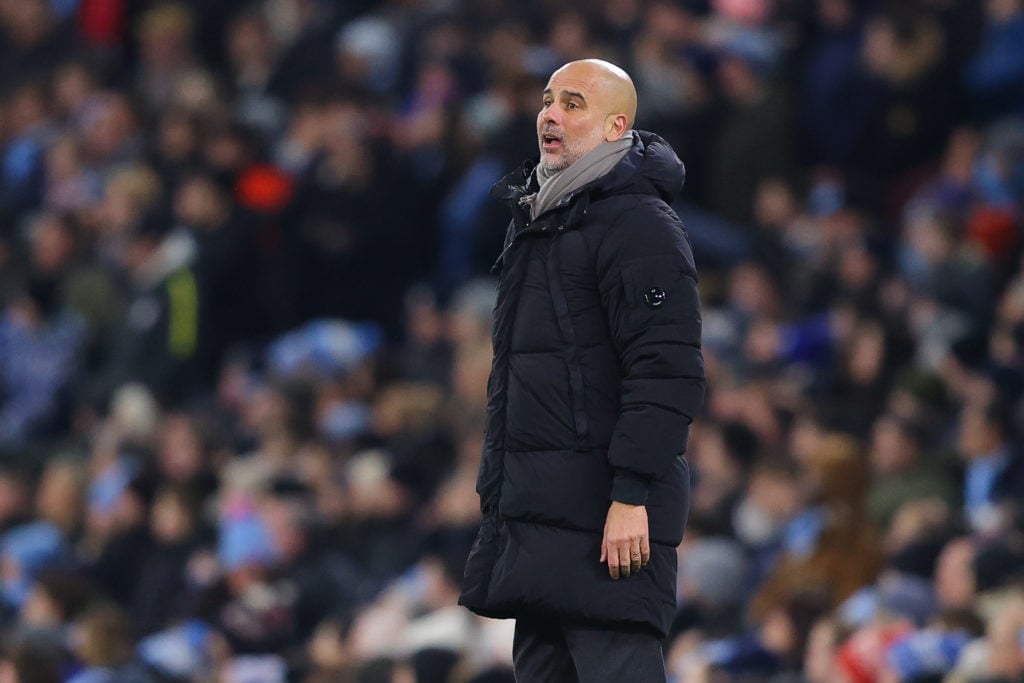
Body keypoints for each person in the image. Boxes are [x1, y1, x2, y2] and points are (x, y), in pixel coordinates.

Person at [459, 59, 705, 682]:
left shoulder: (638, 223)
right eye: (547, 100)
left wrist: (630, 496)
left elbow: (667, 370)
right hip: (542, 520)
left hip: (606, 524)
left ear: (616, 125)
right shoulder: (543, 218)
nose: (549, 113)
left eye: (573, 103)